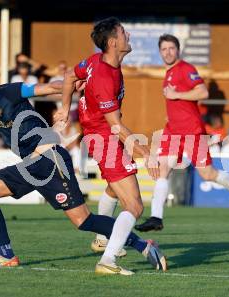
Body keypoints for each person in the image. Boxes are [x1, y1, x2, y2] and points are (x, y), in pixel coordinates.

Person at [0, 48, 164, 275]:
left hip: (49, 158)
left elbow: (47, 88)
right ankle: (141, 244)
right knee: (80, 220)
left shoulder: (8, 92)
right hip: (34, 164)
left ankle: (139, 244)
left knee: (81, 220)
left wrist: (70, 85)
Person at [54, 17, 166, 274]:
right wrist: (147, 154)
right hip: (105, 139)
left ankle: (103, 238)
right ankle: (108, 260)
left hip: (101, 136)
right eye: (124, 32)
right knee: (135, 206)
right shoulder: (104, 75)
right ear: (114, 42)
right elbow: (115, 125)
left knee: (115, 190)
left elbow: (71, 75)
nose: (129, 35)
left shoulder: (95, 62)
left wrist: (64, 108)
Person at [134, 34, 229, 232]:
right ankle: (156, 217)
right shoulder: (167, 75)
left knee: (208, 174)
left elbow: (203, 92)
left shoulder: (186, 69)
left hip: (192, 132)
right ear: (160, 52)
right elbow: (178, 106)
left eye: (171, 48)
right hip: (173, 131)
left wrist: (177, 95)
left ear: (178, 50)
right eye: (164, 49)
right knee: (162, 169)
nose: (168, 52)